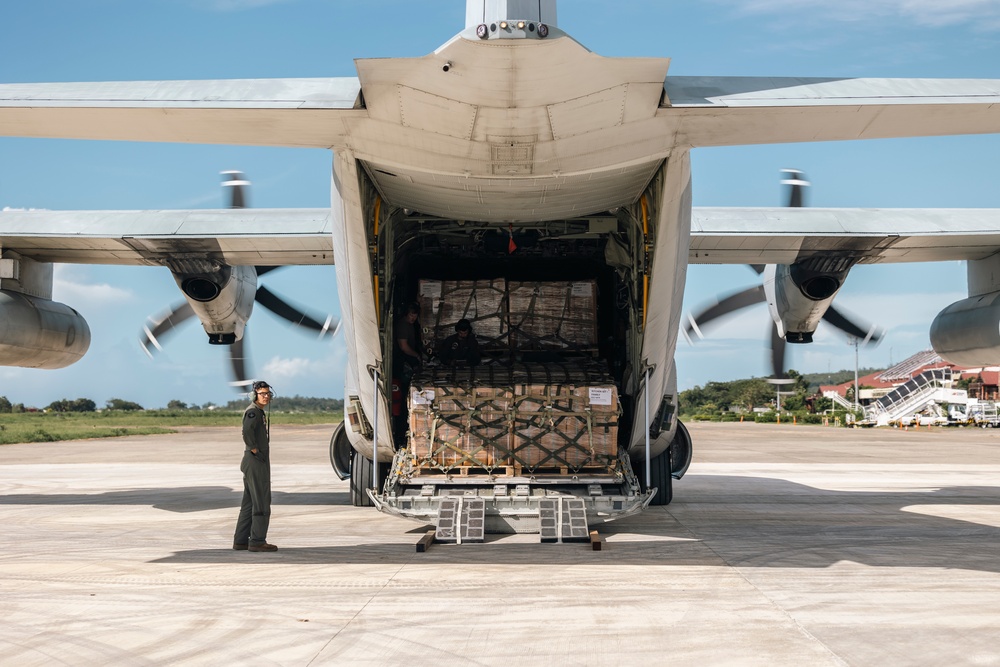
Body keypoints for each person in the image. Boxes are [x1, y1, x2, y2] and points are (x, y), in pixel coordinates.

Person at [233, 380, 277, 552]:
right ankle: (257, 540)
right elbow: (247, 431)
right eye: (262, 394)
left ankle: (241, 541)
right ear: (254, 396)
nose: (266, 397)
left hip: (255, 460)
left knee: (249, 502)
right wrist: (254, 449)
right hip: (256, 460)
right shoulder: (253, 412)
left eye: (268, 394)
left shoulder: (258, 412)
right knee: (261, 501)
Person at [394, 301, 424, 379]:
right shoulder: (403, 326)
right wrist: (417, 355)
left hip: (406, 360)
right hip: (402, 361)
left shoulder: (410, 324)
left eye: (415, 316)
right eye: (411, 315)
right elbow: (404, 347)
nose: (413, 318)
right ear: (406, 314)